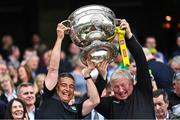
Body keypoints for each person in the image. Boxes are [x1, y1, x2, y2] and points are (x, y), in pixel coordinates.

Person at [37, 22, 100, 119]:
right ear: (56, 87)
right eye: (63, 85)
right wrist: (59, 38)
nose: (68, 89)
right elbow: (53, 69)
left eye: (71, 86)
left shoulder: (75, 109)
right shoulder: (48, 97)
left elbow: (95, 101)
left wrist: (87, 76)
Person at [95, 19, 155, 119]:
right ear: (112, 88)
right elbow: (94, 100)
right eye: (116, 87)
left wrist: (129, 36)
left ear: (132, 82)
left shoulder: (142, 92)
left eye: (123, 85)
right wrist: (101, 77)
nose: (121, 90)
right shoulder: (110, 104)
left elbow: (140, 58)